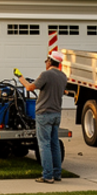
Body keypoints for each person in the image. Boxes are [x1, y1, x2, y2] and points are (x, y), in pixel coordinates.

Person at [15, 51, 69, 183]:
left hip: (44, 114)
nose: (45, 63)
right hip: (56, 114)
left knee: (44, 145)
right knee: (54, 144)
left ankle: (47, 176)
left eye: (46, 61)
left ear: (50, 61)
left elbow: (29, 87)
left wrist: (20, 77)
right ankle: (57, 174)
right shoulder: (63, 76)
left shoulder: (46, 74)